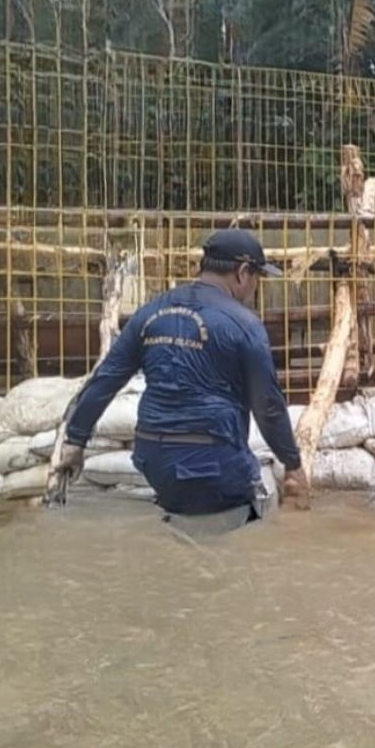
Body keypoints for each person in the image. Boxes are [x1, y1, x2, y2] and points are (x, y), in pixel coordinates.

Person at [57, 229, 307, 535]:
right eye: (257, 277)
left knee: (187, 531)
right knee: (251, 528)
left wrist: (75, 441)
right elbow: (268, 407)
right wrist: (293, 464)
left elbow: (105, 380)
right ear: (243, 273)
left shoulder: (150, 313)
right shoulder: (245, 325)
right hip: (215, 464)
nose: (255, 287)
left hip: (153, 460)